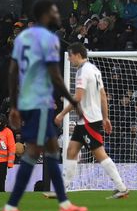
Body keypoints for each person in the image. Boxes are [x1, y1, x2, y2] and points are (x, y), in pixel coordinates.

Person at [2, 0, 88, 211]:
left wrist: (14, 104)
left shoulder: (22, 39)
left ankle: (65, 204)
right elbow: (54, 75)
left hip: (27, 101)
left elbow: (12, 72)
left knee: (51, 149)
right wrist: (72, 99)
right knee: (34, 151)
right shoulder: (49, 39)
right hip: (40, 102)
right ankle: (11, 208)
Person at [52, 44, 130, 199]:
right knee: (71, 150)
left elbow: (78, 97)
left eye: (70, 55)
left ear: (77, 55)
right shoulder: (94, 70)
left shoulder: (82, 72)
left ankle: (122, 187)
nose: (69, 58)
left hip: (89, 119)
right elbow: (102, 95)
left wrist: (61, 114)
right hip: (88, 119)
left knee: (100, 154)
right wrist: (105, 117)